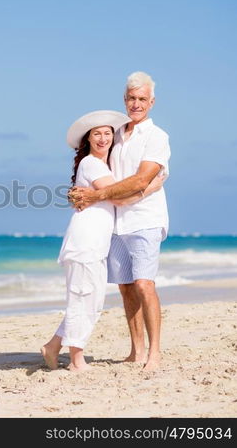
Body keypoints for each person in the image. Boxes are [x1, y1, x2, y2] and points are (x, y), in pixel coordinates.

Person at [41, 110, 164, 372]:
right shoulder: (92, 164)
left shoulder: (105, 167)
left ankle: (53, 346)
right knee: (83, 297)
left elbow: (112, 194)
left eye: (108, 133)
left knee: (91, 300)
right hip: (85, 241)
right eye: (97, 134)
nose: (103, 138)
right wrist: (151, 187)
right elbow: (119, 198)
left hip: (97, 242)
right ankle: (76, 359)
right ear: (88, 139)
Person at [68, 72, 170, 372]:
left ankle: (154, 354)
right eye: (131, 98)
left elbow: (141, 178)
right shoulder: (116, 133)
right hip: (115, 222)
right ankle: (136, 351)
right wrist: (81, 194)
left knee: (144, 284)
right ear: (124, 99)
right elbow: (96, 171)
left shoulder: (157, 136)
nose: (136, 104)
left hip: (145, 219)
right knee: (126, 287)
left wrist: (96, 196)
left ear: (151, 102)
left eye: (142, 99)